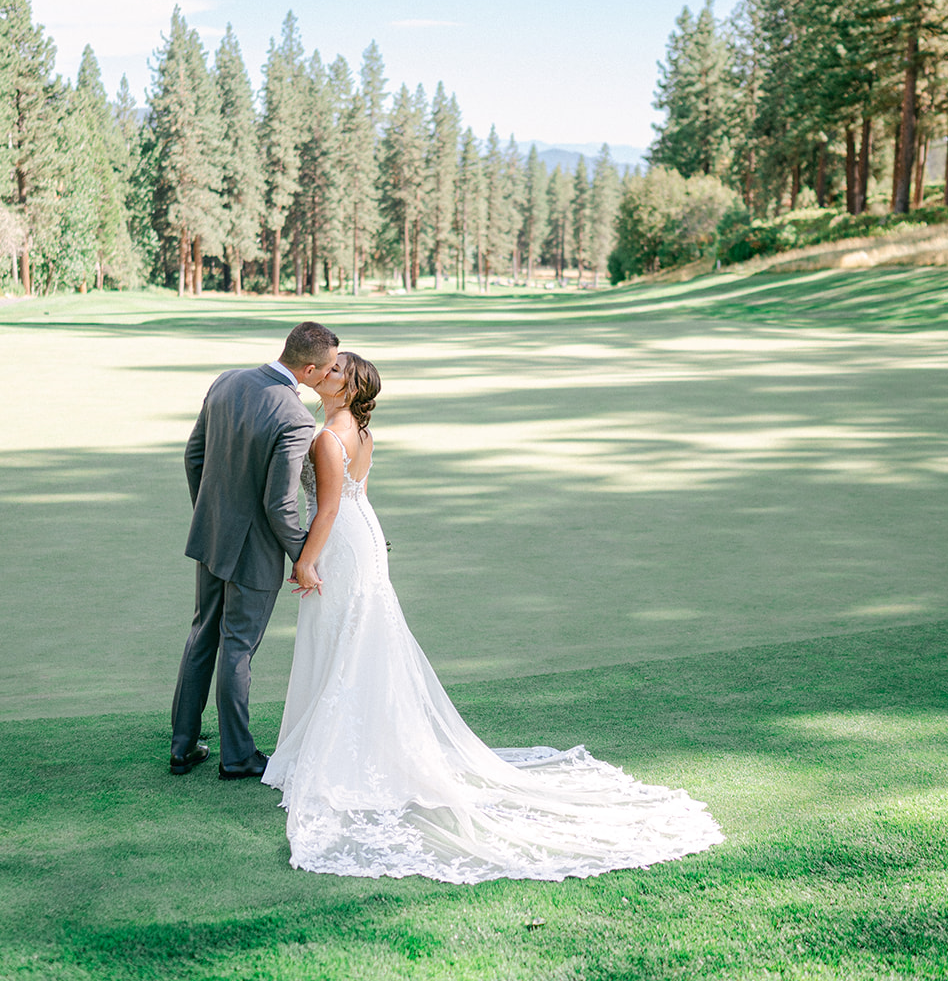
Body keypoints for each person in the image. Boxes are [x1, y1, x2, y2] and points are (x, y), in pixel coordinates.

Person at [263, 352, 725, 882]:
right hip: (363, 535)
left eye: (336, 371)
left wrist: (303, 562)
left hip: (343, 539)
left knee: (347, 636)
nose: (325, 374)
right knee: (356, 637)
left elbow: (327, 509)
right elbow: (357, 497)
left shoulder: (328, 437)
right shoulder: (361, 435)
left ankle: (348, 750)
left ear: (348, 388)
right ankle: (363, 739)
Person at [170, 321, 341, 779]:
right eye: (326, 370)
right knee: (238, 647)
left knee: (203, 634)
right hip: (254, 552)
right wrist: (304, 554)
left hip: (210, 536)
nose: (329, 376)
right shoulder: (296, 418)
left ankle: (183, 746)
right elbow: (280, 503)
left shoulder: (226, 380)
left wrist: (211, 515)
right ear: (308, 369)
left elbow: (194, 457)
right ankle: (238, 756)